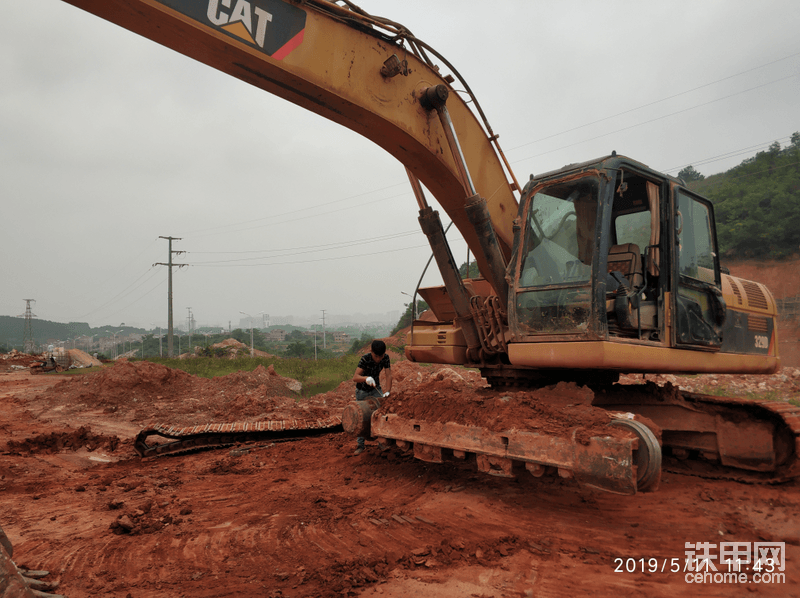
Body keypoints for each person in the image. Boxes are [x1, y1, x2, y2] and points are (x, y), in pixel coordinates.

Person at [352, 339, 392, 455]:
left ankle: (381, 443)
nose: (378, 359)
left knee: (380, 414)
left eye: (381, 356)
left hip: (376, 389)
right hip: (362, 391)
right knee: (361, 416)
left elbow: (388, 375)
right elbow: (355, 377)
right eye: (376, 356)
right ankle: (360, 445)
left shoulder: (386, 358)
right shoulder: (365, 359)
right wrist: (366, 378)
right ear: (371, 351)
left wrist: (388, 391)